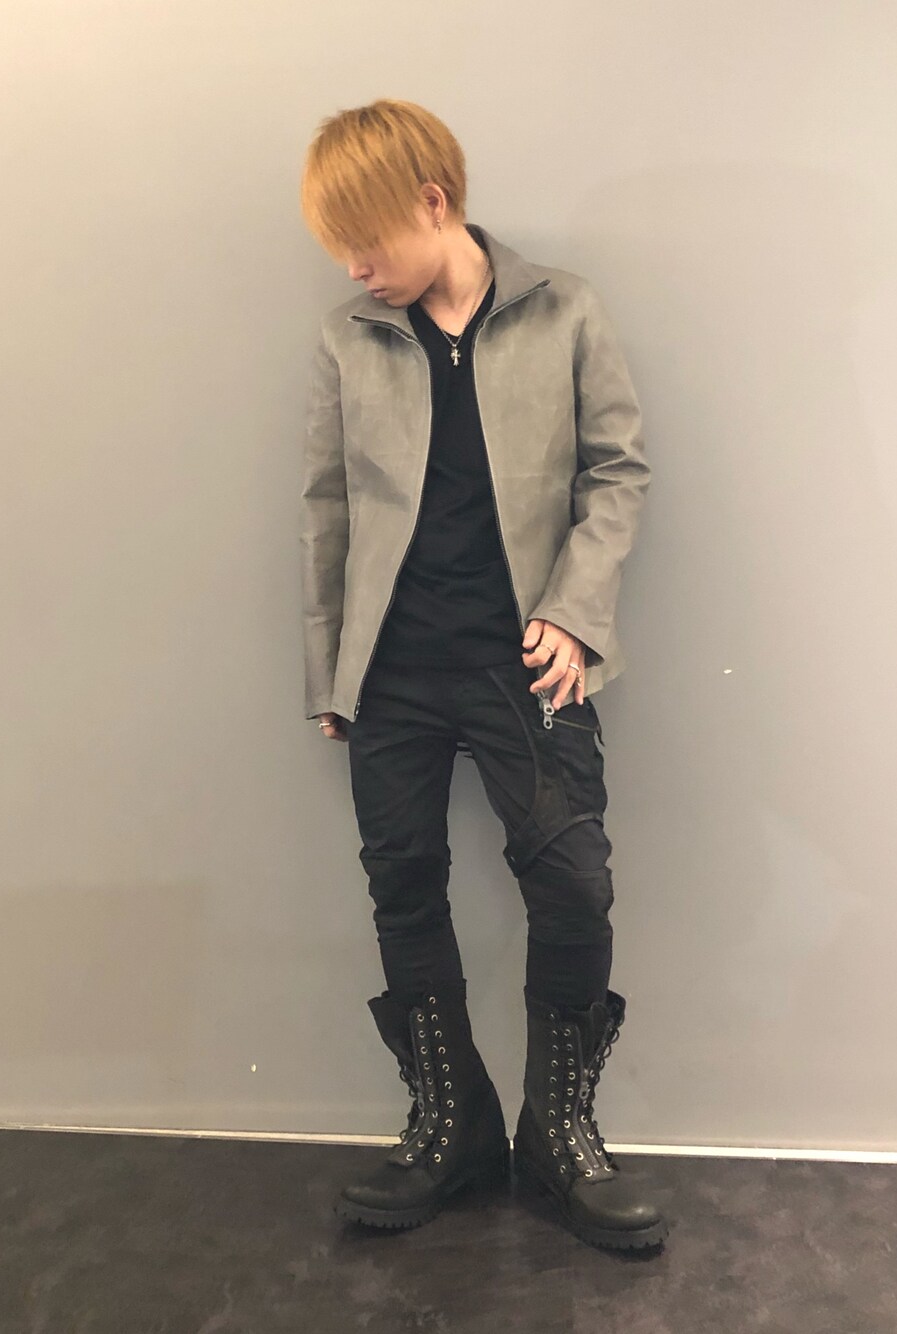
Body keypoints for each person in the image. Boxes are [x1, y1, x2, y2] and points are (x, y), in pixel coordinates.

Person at [298, 98, 667, 1251]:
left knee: (575, 885)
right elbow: (326, 509)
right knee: (403, 885)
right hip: (393, 671)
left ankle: (559, 1129)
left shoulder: (565, 310)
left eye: (366, 240)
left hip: (528, 662)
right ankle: (449, 1125)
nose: (354, 268)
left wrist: (575, 612)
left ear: (432, 201)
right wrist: (330, 672)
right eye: (339, 250)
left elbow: (618, 471)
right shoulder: (348, 338)